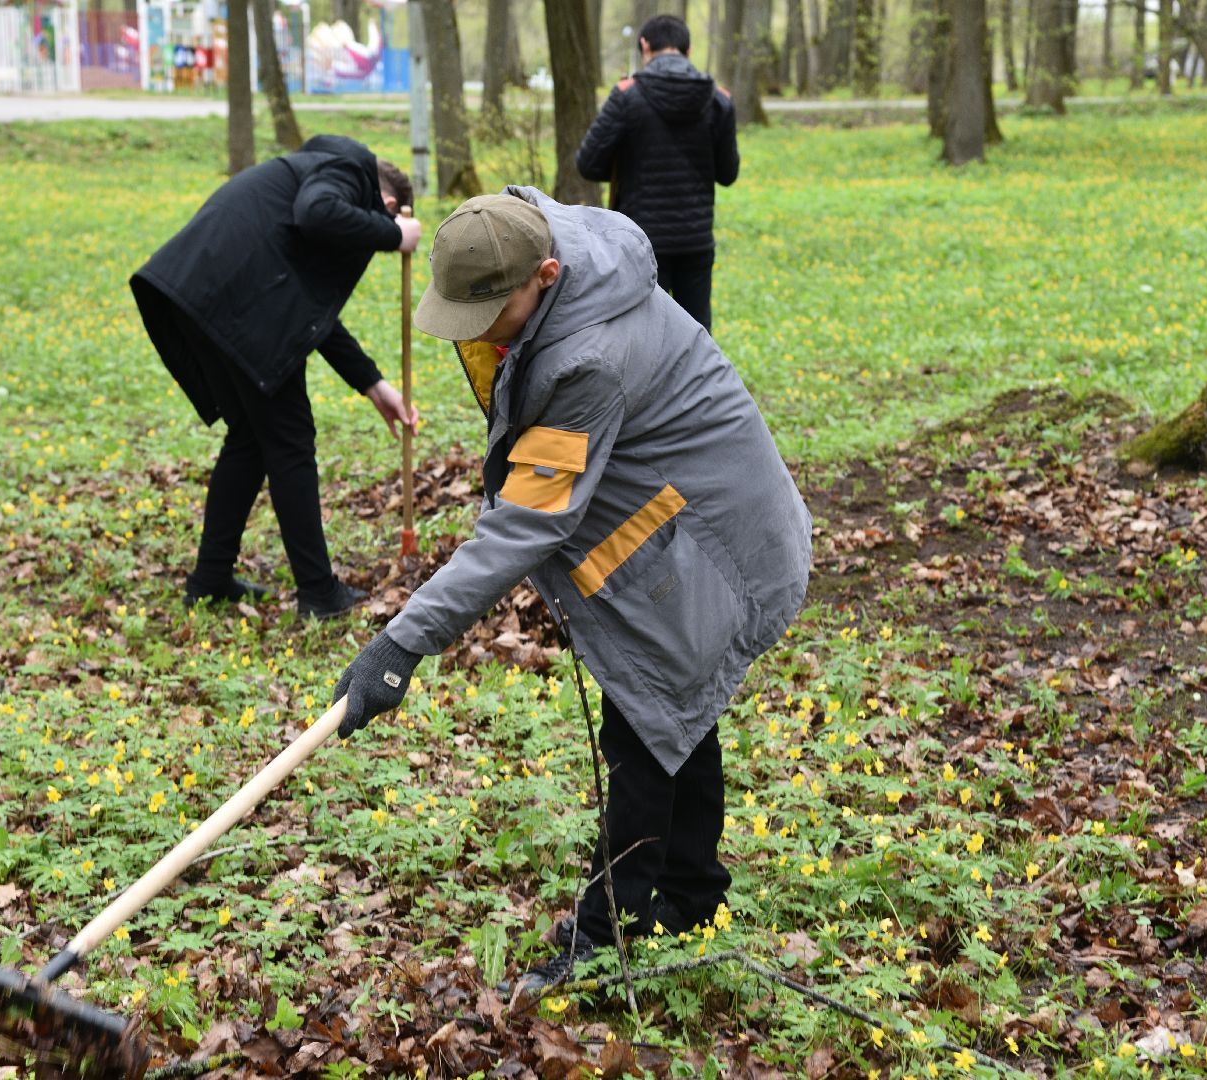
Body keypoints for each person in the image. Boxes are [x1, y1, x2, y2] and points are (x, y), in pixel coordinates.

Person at [331, 191, 810, 993]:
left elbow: (527, 523)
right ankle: (690, 894)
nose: (476, 331)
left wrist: (404, 640)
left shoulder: (588, 356)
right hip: (680, 509)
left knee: (650, 719)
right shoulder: (535, 237)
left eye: (489, 312)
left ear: (545, 275)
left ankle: (605, 941)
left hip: (716, 538)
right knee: (675, 710)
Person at [130, 135, 421, 618]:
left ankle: (210, 579)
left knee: (249, 439)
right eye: (386, 218)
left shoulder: (314, 171)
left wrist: (374, 385)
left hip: (209, 298)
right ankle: (318, 593)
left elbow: (312, 315)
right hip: (234, 304)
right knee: (289, 440)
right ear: (387, 202)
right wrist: (394, 235)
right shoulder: (348, 165)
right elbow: (317, 211)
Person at [574, 14, 738, 333]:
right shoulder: (718, 99)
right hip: (696, 240)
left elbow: (588, 164)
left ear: (645, 46)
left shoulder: (626, 96)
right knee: (697, 339)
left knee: (643, 337)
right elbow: (728, 173)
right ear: (687, 51)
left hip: (640, 242)